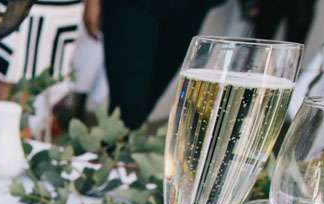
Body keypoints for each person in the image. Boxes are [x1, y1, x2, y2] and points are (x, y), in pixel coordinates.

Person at [84, 0, 226, 128]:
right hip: (131, 5)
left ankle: (122, 144)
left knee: (145, 104)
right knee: (126, 109)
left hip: (192, 7)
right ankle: (114, 145)